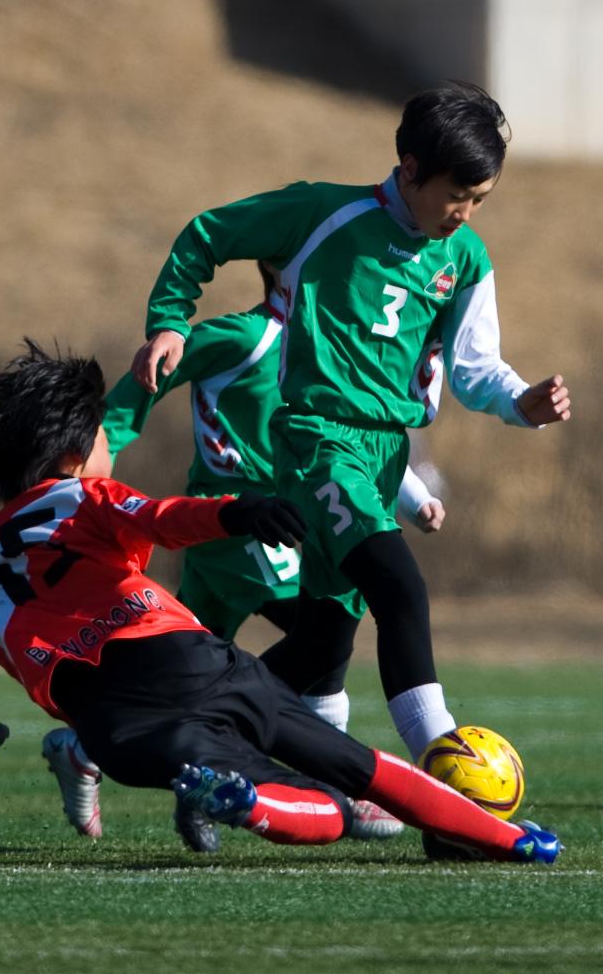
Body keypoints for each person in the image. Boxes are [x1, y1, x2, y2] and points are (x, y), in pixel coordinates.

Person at [0, 340, 562, 865]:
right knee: (355, 785)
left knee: (299, 793)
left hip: (112, 728)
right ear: (75, 457)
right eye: (108, 438)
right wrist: (239, 511)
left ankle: (247, 797)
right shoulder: (82, 496)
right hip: (184, 658)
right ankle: (511, 838)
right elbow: (163, 517)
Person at [130, 82, 572, 768]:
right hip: (317, 442)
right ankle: (444, 765)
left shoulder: (464, 259)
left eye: (480, 199)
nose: (465, 213)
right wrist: (166, 323)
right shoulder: (321, 212)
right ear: (409, 171)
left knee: (318, 646)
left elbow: (475, 367)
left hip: (383, 456)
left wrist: (521, 401)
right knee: (399, 587)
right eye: (457, 194)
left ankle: (189, 738)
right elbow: (206, 235)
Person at [47, 263, 443, 842]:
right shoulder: (242, 337)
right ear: (291, 271)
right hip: (238, 523)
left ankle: (92, 749)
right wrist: (92, 453)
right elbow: (147, 379)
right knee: (320, 639)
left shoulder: (334, 350)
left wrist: (413, 496)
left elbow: (354, 432)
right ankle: (340, 791)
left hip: (270, 520)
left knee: (189, 676)